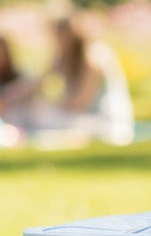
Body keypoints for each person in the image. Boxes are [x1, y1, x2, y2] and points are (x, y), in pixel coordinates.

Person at [11, 17, 134, 145]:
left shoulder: (94, 57)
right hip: (82, 119)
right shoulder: (64, 57)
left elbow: (80, 103)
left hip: (106, 123)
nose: (57, 42)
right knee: (32, 111)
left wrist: (55, 104)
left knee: (44, 117)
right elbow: (37, 83)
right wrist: (10, 96)